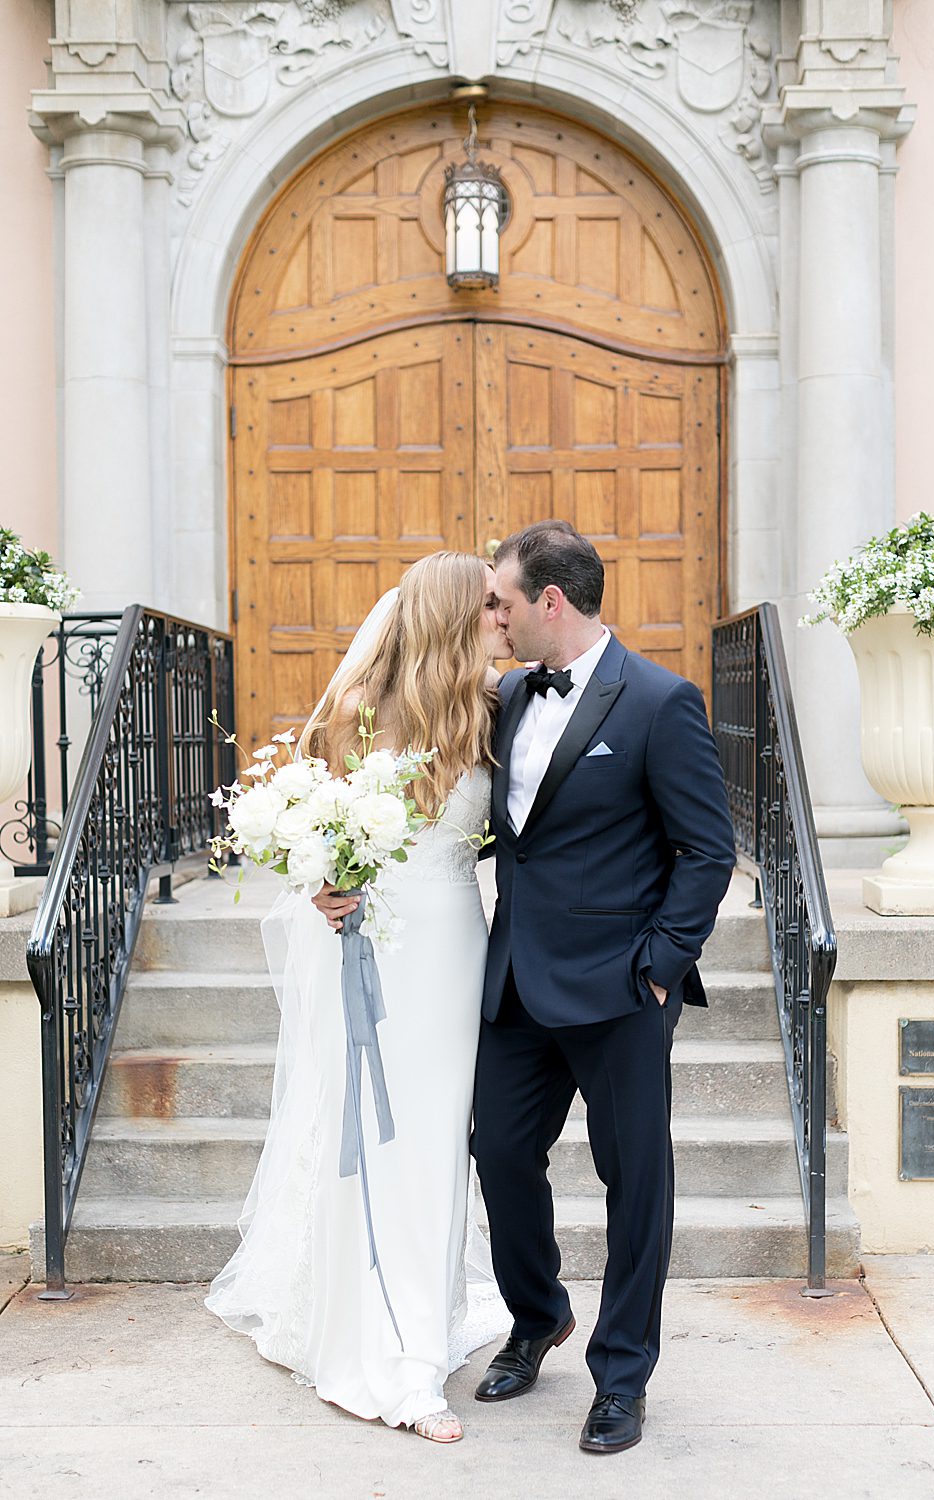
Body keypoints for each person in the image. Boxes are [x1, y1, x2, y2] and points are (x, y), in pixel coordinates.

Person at [205, 552, 512, 1443]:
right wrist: (320, 883)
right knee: (371, 1137)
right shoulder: (352, 714)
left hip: (456, 950)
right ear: (454, 615)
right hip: (369, 951)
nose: (505, 615)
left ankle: (424, 1323)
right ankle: (389, 1355)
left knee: (436, 1139)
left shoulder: (497, 710)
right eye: (489, 603)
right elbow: (306, 823)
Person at [472, 520, 737, 1455]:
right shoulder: (502, 698)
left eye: (500, 599)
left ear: (551, 601)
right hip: (513, 982)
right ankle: (538, 1312)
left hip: (622, 988)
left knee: (635, 1181)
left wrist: (660, 967)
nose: (489, 615)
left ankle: (622, 1375)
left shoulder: (661, 701)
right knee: (498, 1152)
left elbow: (708, 851)